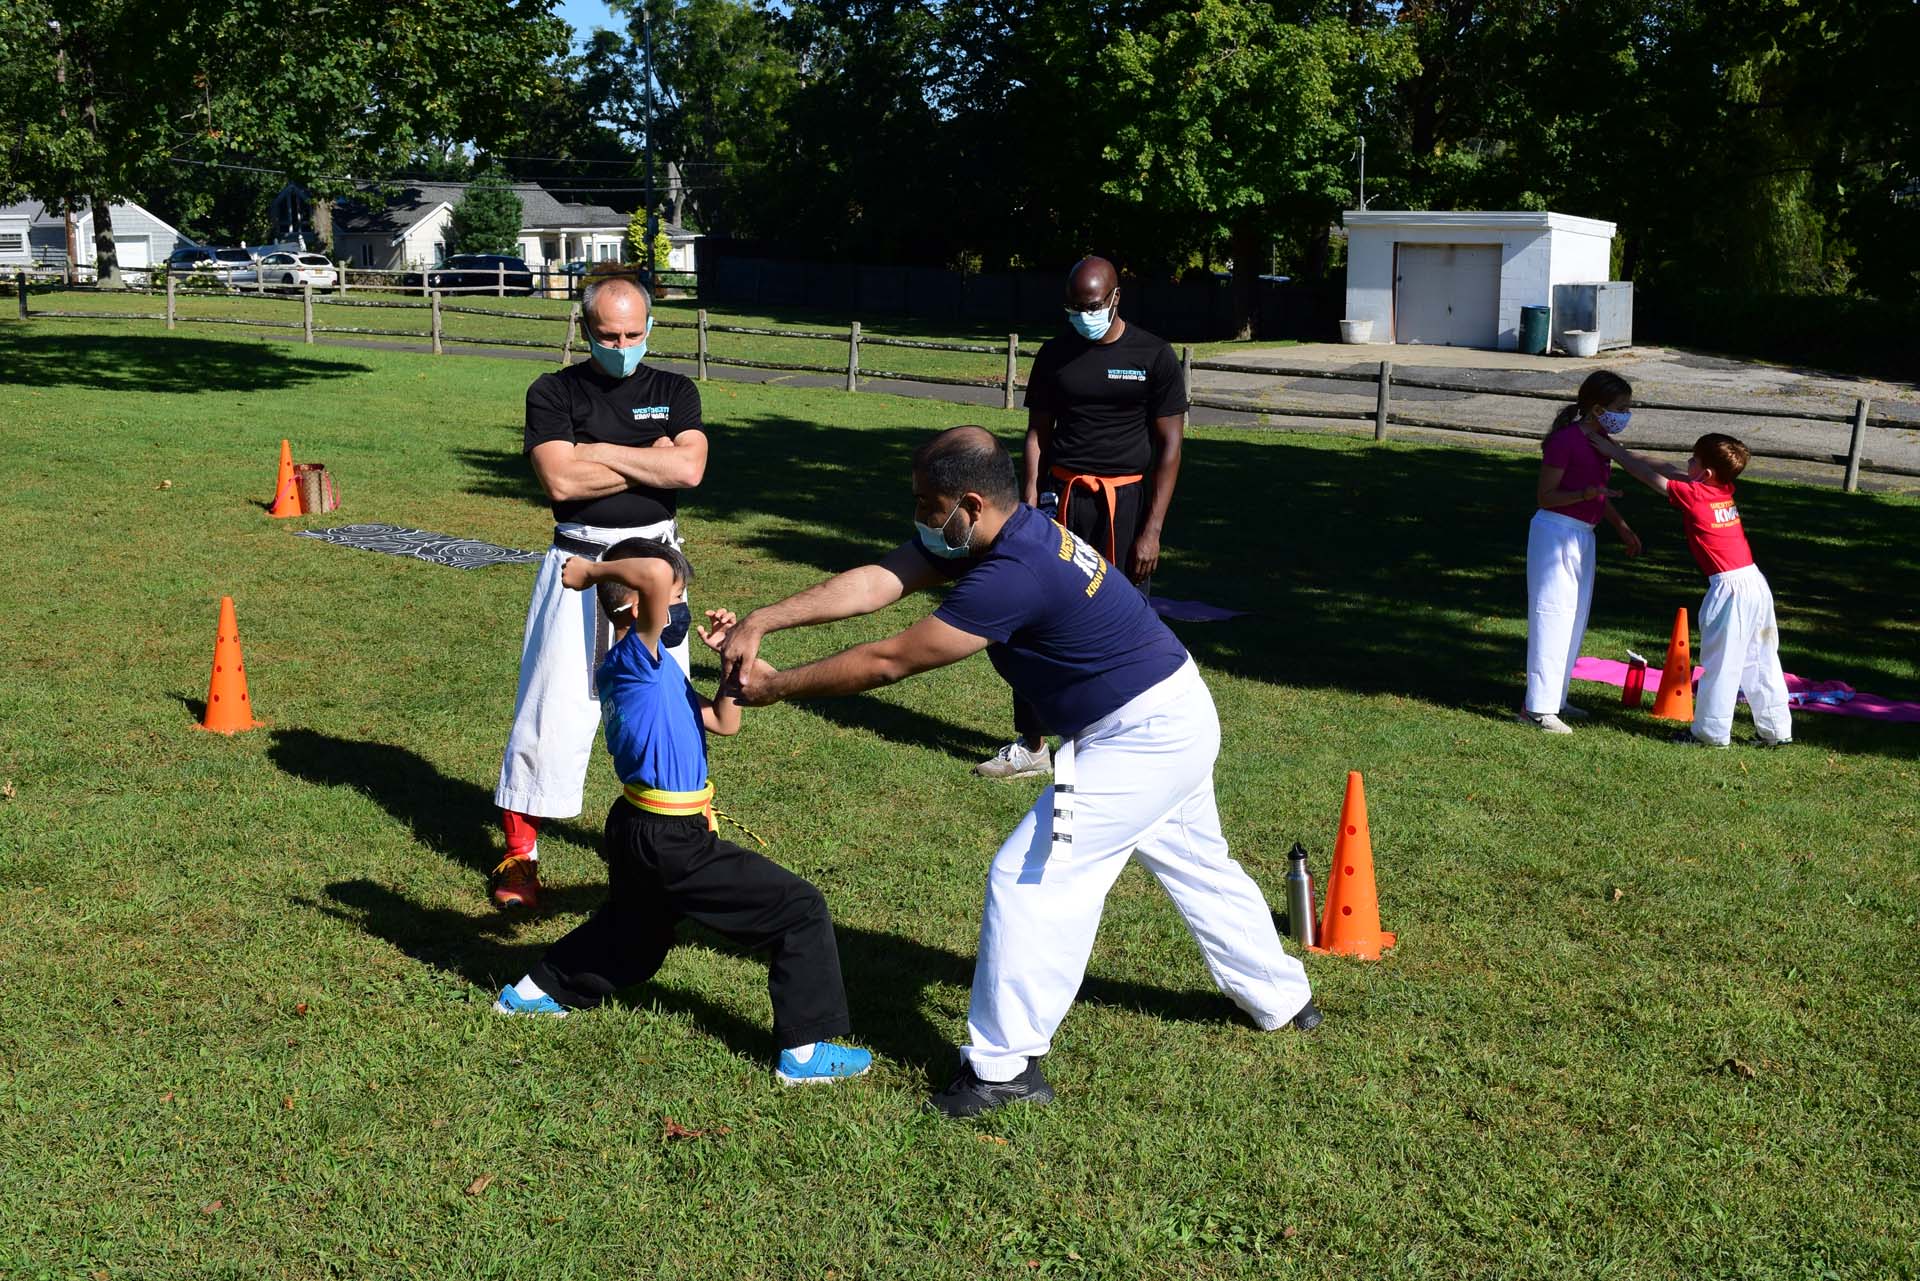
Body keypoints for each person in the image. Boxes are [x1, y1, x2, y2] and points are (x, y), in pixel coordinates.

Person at [713, 425, 1317, 1118]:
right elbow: (881, 580)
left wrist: (777, 685)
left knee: (1030, 878)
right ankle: (1282, 995)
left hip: (1142, 735)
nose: (918, 516)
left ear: (969, 503)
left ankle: (1004, 1068)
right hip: (1167, 711)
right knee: (1195, 860)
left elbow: (893, 659)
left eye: (925, 502)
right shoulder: (1003, 531)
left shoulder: (1015, 570)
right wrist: (766, 619)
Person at [494, 537, 873, 1086]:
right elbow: (648, 571)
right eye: (676, 597)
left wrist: (729, 662)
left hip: (648, 830)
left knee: (636, 936)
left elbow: (723, 722)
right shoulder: (631, 661)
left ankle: (536, 990)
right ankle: (805, 1052)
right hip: (669, 837)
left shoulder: (658, 669)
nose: (681, 608)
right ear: (637, 605)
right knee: (800, 909)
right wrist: (591, 571)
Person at [491, 275, 709, 910]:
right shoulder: (554, 391)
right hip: (577, 564)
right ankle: (520, 854)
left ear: (650, 328)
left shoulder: (674, 389)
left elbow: (689, 469)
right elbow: (561, 482)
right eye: (608, 335)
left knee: (665, 704)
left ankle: (680, 840)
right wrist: (649, 453)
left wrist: (601, 451)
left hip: (658, 565)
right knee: (551, 706)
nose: (622, 345)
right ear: (585, 330)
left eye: (634, 334)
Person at [977, 255, 1188, 780]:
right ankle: (1031, 743)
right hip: (1061, 499)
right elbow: (1036, 436)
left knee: (1123, 622)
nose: (1082, 316)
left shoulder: (1153, 355)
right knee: (1032, 614)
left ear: (1115, 298)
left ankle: (1121, 740)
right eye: (1074, 307)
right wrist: (1028, 501)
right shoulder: (1055, 355)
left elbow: (1170, 446)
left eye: (1091, 307)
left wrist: (1152, 531)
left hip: (1125, 506)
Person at [1578, 427, 1792, 749]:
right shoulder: (1720, 488)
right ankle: (1776, 731)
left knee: (1721, 663)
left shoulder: (1694, 494)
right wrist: (1621, 449)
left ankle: (1710, 734)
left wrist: (1616, 455)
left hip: (1730, 588)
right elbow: (1663, 467)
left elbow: (1653, 479)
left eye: (1692, 459)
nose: (1685, 462)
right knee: (1761, 659)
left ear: (1704, 472)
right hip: (1755, 584)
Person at [1522, 370, 1643, 733]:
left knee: (1574, 618)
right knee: (1552, 614)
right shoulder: (1566, 441)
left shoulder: (1600, 441)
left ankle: (1555, 698)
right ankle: (1537, 708)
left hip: (1583, 535)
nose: (1625, 414)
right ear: (1596, 407)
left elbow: (1599, 492)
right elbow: (1546, 496)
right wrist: (1583, 496)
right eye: (1621, 407)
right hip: (1556, 533)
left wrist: (1622, 527)